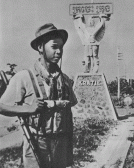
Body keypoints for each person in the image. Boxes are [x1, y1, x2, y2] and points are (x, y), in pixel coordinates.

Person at [0, 23, 77, 168]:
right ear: (40, 48)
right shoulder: (24, 77)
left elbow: (69, 110)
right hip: (36, 142)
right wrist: (28, 109)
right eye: (54, 47)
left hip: (60, 144)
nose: (59, 52)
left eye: (61, 47)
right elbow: (2, 107)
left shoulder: (65, 80)